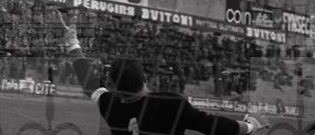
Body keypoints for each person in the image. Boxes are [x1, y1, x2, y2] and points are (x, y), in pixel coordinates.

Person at [58, 11, 268, 135]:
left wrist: (72, 44)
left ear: (113, 87)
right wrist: (250, 126)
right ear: (145, 78)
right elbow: (213, 125)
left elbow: (89, 84)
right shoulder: (171, 103)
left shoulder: (110, 105)